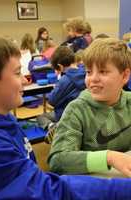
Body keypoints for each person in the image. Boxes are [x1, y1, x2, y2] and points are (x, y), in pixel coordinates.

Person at [0, 35, 131, 200]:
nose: (26, 80)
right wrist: (120, 187)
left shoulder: (0, 119)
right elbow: (50, 189)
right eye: (18, 73)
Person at [48, 38, 131, 177]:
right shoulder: (76, 110)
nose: (93, 78)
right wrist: (109, 158)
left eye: (103, 71)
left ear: (124, 75)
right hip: (93, 187)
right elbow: (57, 161)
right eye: (88, 71)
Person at [37, 46, 86, 130]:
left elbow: (52, 101)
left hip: (65, 116)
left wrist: (58, 84)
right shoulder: (86, 73)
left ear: (60, 67)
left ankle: (53, 127)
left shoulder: (64, 80)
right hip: (83, 116)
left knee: (41, 117)